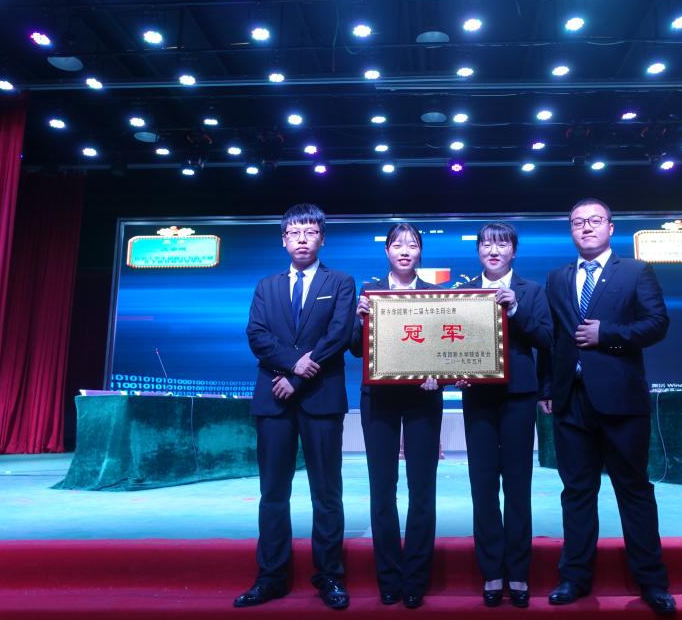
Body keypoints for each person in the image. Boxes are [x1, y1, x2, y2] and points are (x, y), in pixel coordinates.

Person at [543, 198, 677, 615]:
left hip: (621, 400)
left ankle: (652, 581)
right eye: (577, 222)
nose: (586, 227)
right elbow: (553, 339)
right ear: (570, 230)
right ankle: (574, 578)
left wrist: (609, 334)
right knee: (576, 492)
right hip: (571, 401)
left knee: (633, 490)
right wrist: (548, 388)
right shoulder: (557, 278)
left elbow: (657, 324)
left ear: (610, 227)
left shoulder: (635, 271)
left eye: (594, 220)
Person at [235, 203, 356, 610]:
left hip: (321, 399)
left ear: (322, 238)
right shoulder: (266, 286)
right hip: (274, 398)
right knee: (273, 493)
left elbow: (338, 335)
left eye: (310, 232)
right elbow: (256, 334)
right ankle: (270, 577)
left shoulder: (340, 282)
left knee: (327, 493)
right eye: (295, 233)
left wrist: (299, 377)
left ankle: (330, 576)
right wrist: (292, 365)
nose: (302, 239)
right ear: (283, 239)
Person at [458, 222, 552, 608]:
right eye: (486, 245)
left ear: (514, 250)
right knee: (482, 487)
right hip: (478, 396)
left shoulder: (531, 291)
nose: (493, 251)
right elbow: (450, 340)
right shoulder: (464, 291)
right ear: (478, 250)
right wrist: (452, 372)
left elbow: (547, 338)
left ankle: (518, 572)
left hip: (518, 396)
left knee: (516, 487)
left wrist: (515, 309)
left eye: (501, 245)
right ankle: (491, 572)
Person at [350, 222, 442, 609]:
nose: (405, 250)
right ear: (386, 251)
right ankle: (388, 577)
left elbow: (447, 348)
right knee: (382, 490)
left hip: (423, 399)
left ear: (420, 252)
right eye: (398, 244)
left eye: (412, 244)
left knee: (422, 490)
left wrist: (440, 375)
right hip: (379, 399)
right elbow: (355, 349)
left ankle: (416, 579)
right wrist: (359, 320)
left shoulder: (437, 296)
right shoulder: (369, 294)